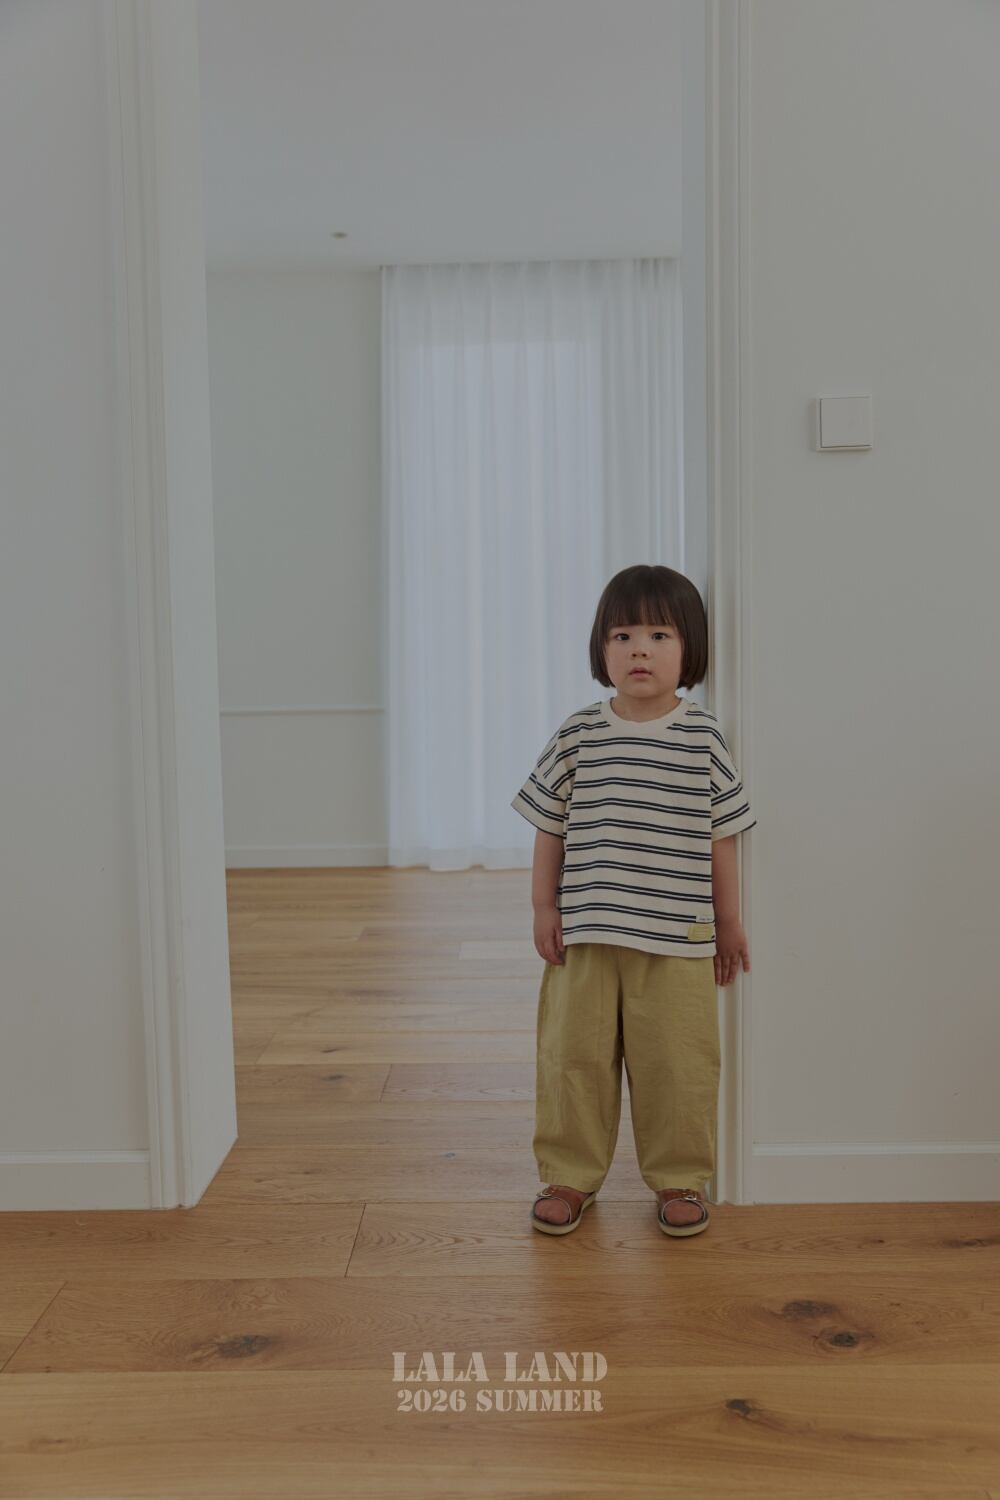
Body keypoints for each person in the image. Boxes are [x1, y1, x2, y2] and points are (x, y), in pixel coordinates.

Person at [510, 563, 756, 1238]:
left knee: (678, 1062)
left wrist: (729, 922)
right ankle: (568, 1174)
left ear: (690, 649)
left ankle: (680, 1178)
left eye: (658, 635)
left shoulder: (703, 737)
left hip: (678, 937)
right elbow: (549, 827)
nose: (639, 650)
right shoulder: (578, 733)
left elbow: (723, 838)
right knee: (573, 1059)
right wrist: (543, 908)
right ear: (602, 649)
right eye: (622, 636)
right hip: (587, 933)